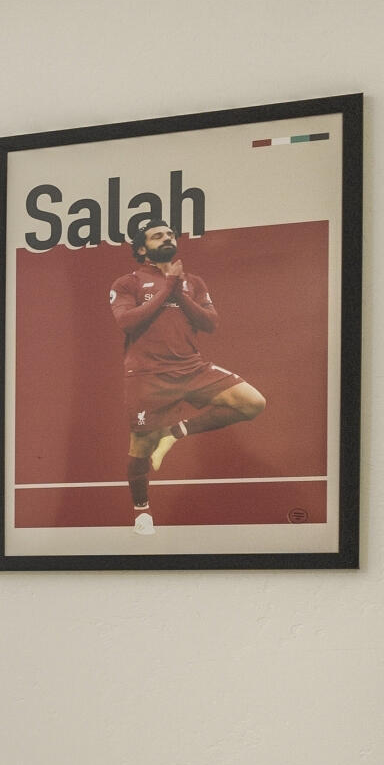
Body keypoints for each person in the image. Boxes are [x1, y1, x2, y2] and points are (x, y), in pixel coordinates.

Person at [110, 220, 264, 533]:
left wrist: (179, 292)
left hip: (191, 368)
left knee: (253, 403)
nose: (167, 238)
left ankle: (174, 432)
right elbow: (126, 321)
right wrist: (167, 286)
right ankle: (142, 512)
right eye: (158, 236)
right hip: (147, 374)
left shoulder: (193, 282)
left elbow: (210, 323)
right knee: (140, 445)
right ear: (142, 249)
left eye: (170, 234)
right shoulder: (127, 283)